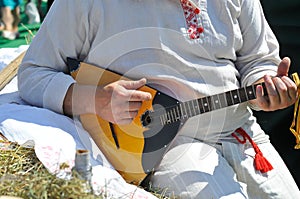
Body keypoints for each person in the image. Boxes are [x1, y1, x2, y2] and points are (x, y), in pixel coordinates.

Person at [17, 0, 300, 198]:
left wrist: (264, 85)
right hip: (167, 144)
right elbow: (34, 74)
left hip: (239, 130)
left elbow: (258, 59)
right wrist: (96, 100)